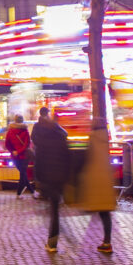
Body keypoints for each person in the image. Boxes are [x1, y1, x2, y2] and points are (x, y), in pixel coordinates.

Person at [31, 106, 70, 253]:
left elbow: (39, 160)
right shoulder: (61, 135)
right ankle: (55, 238)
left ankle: (52, 242)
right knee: (56, 208)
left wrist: (39, 179)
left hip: (48, 177)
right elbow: (68, 158)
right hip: (61, 178)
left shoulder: (42, 139)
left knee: (54, 211)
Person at [77, 118, 116, 253]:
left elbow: (86, 156)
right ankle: (107, 241)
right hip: (106, 179)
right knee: (105, 212)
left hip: (95, 178)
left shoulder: (92, 138)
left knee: (99, 209)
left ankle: (106, 243)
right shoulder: (106, 138)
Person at [5, 114, 34, 198]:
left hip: (15, 156)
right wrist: (19, 151)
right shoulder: (25, 131)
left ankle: (20, 193)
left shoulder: (10, 131)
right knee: (23, 173)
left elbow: (7, 144)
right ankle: (31, 191)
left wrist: (13, 151)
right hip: (24, 156)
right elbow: (26, 144)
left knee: (22, 173)